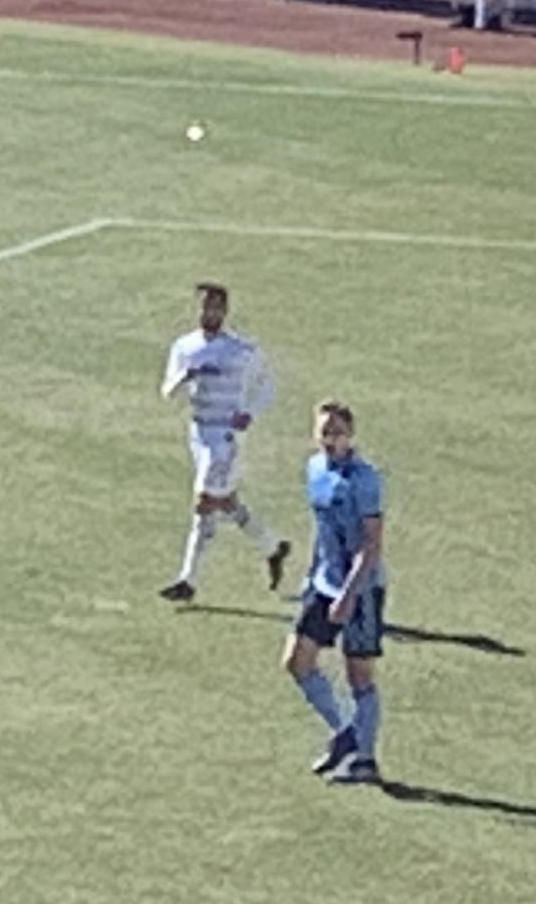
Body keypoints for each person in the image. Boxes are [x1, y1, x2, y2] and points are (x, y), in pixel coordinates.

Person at [157, 282, 290, 604]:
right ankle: (272, 547)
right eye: (204, 307)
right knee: (226, 502)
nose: (209, 313)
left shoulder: (241, 349)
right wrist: (184, 377)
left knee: (204, 502)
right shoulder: (184, 347)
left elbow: (267, 385)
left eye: (216, 307)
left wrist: (249, 412)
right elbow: (167, 390)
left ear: (225, 311)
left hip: (226, 436)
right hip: (198, 432)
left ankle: (187, 580)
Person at [282, 400, 386, 785]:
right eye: (324, 432)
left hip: (360, 589)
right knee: (297, 660)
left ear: (350, 435)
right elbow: (322, 530)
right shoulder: (314, 470)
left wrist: (348, 594)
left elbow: (371, 544)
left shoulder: (364, 479)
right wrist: (313, 577)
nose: (330, 440)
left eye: (337, 433)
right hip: (324, 583)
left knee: (359, 674)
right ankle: (346, 732)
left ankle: (366, 760)